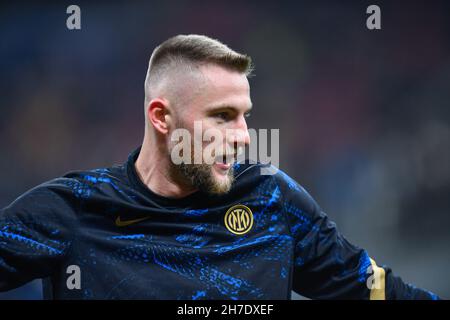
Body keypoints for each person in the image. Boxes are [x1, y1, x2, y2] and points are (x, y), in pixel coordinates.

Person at [0, 34, 439, 299]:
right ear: (161, 117)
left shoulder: (273, 201)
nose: (244, 135)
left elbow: (376, 290)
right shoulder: (72, 210)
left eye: (245, 115)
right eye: (223, 116)